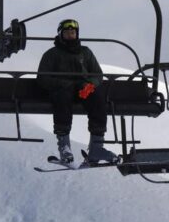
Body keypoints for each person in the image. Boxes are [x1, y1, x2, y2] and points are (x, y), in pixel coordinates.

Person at [37, 19, 119, 164]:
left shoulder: (85, 53)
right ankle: (65, 147)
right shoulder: (52, 54)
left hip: (83, 90)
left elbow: (97, 74)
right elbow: (42, 77)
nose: (70, 36)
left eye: (73, 33)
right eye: (67, 33)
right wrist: (61, 84)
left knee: (97, 100)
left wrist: (89, 85)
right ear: (61, 34)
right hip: (63, 90)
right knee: (62, 99)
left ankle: (96, 148)